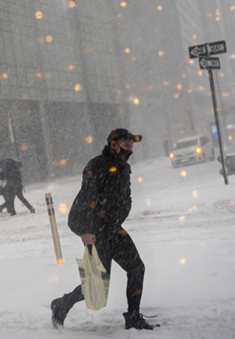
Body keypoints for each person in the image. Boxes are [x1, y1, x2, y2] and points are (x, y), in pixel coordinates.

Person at [50, 128, 156, 330]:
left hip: (114, 229)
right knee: (97, 284)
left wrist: (119, 216)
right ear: (113, 144)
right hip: (97, 233)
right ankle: (61, 304)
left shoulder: (123, 167)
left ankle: (133, 316)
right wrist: (86, 231)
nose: (130, 147)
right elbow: (86, 201)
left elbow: (124, 199)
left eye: (131, 144)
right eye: (126, 143)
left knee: (136, 268)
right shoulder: (97, 165)